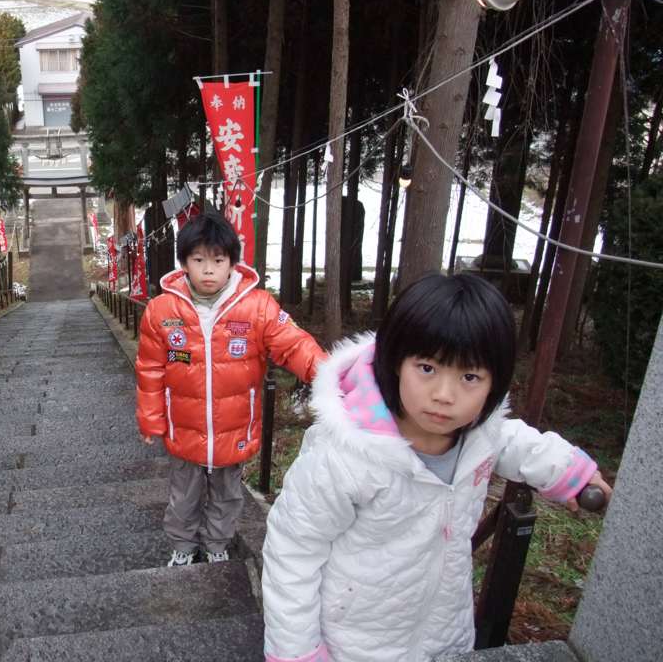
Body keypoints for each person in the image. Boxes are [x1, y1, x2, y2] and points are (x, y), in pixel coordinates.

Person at [261, 273, 614, 662]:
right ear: (396, 363)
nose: (445, 396)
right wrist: (298, 652)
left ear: (493, 383)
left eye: (469, 377)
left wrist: (569, 473)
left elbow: (514, 442)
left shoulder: (479, 435)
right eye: (427, 369)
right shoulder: (346, 458)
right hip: (357, 642)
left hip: (444, 629)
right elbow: (293, 552)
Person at [136, 212, 327, 567]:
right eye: (198, 261)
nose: (208, 271)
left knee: (227, 496)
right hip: (184, 428)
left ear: (232, 263)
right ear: (184, 264)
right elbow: (150, 368)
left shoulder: (258, 307)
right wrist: (151, 420)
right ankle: (183, 547)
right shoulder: (161, 310)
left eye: (218, 261)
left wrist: (331, 376)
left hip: (235, 427)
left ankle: (216, 544)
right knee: (184, 496)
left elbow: (293, 344)